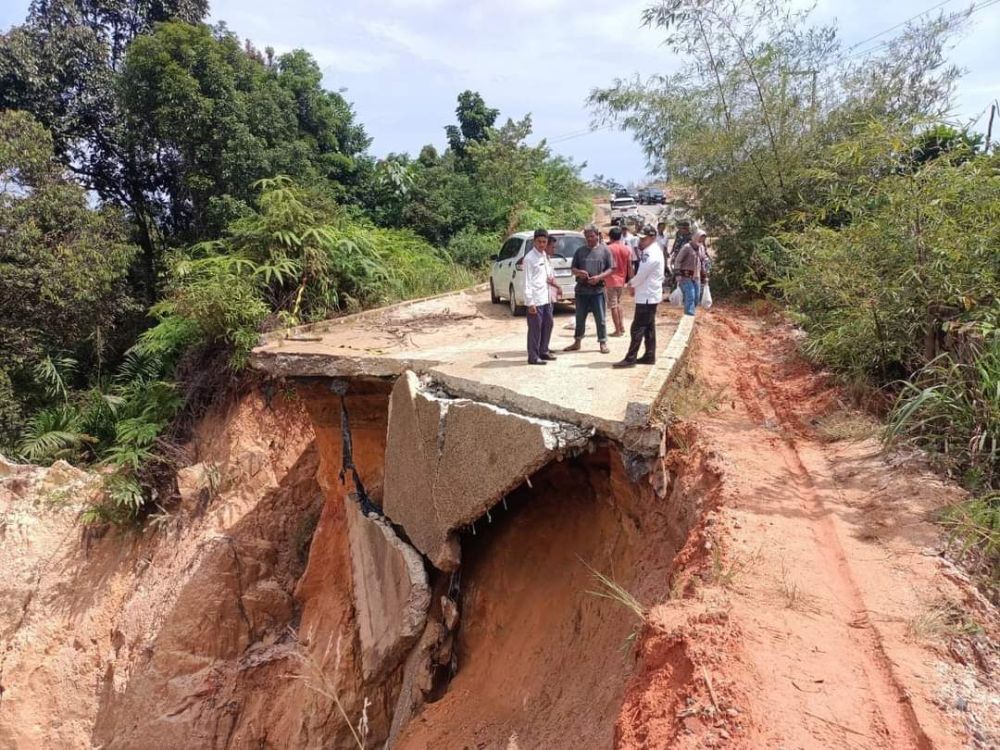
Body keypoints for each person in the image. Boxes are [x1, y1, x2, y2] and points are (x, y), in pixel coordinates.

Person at [614, 225, 665, 368]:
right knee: (649, 328)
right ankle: (649, 355)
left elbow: (641, 275)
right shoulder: (652, 251)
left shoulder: (651, 254)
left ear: (653, 238)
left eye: (644, 238)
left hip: (647, 296)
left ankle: (630, 358)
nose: (641, 241)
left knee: (637, 327)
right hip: (649, 294)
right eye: (640, 238)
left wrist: (631, 284)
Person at [564, 224, 613, 353]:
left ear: (597, 235)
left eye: (592, 236)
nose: (590, 239)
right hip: (582, 290)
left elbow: (611, 269)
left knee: (600, 318)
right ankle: (577, 341)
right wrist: (580, 273)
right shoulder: (580, 251)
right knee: (580, 317)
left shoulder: (605, 250)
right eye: (587, 237)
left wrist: (599, 277)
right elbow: (573, 269)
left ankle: (603, 342)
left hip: (598, 290)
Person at [523, 228, 557, 365]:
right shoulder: (529, 258)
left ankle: (544, 351)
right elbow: (526, 281)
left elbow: (548, 277)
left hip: (547, 298)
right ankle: (533, 356)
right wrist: (530, 302)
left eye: (544, 242)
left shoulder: (545, 256)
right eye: (539, 241)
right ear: (534, 241)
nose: (542, 244)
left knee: (548, 324)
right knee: (535, 329)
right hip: (535, 300)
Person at [605, 226, 633, 337]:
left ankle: (617, 330)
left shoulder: (608, 248)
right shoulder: (626, 249)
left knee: (613, 305)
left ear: (610, 237)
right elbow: (630, 266)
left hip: (610, 280)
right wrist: (631, 280)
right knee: (619, 304)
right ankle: (621, 327)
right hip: (622, 280)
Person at [673, 231, 700, 316]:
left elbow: (703, 261)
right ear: (694, 237)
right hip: (685, 276)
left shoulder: (701, 248)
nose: (701, 240)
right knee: (690, 296)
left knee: (696, 297)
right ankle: (689, 316)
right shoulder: (686, 247)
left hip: (696, 276)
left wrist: (705, 274)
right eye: (699, 238)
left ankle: (690, 313)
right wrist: (677, 274)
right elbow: (678, 260)